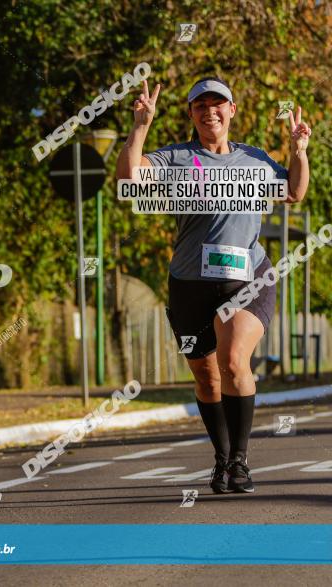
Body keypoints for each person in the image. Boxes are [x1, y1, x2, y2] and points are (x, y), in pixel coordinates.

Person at [116, 76, 311, 493]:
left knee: (235, 362)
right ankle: (221, 458)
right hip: (190, 282)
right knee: (206, 379)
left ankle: (239, 462)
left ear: (231, 111)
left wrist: (298, 152)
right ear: (191, 114)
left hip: (248, 276)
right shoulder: (176, 158)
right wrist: (140, 127)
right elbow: (131, 179)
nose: (210, 111)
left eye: (217, 104)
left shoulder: (256, 161)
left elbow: (294, 192)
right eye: (200, 106)